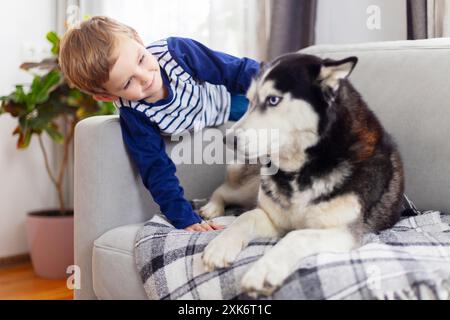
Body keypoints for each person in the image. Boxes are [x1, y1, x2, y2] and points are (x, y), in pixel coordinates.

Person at [59, 16, 259, 231]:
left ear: (137, 38)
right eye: (127, 82)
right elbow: (155, 167)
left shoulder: (177, 53)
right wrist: (186, 219)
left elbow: (236, 70)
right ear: (108, 96)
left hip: (228, 99)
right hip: (206, 121)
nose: (145, 77)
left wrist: (279, 81)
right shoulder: (134, 113)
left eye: (141, 59)